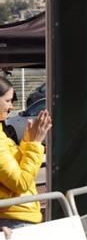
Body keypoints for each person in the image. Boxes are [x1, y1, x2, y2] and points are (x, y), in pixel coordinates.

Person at [0, 76, 53, 231]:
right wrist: (35, 144)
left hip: (16, 217)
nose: (11, 107)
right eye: (8, 100)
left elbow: (18, 168)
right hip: (14, 220)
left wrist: (28, 141)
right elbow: (21, 183)